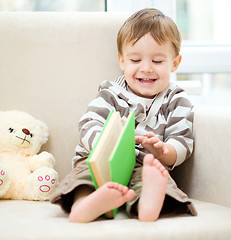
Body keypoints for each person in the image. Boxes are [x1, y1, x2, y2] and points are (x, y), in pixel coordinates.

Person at [50, 8, 197, 223]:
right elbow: (88, 124)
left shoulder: (178, 101)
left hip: (144, 164)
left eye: (157, 62)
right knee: (84, 177)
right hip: (99, 161)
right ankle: (84, 204)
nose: (146, 68)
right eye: (136, 60)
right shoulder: (110, 94)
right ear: (122, 61)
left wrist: (163, 150)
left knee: (158, 179)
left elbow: (183, 141)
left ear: (175, 63)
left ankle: (147, 205)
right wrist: (107, 140)